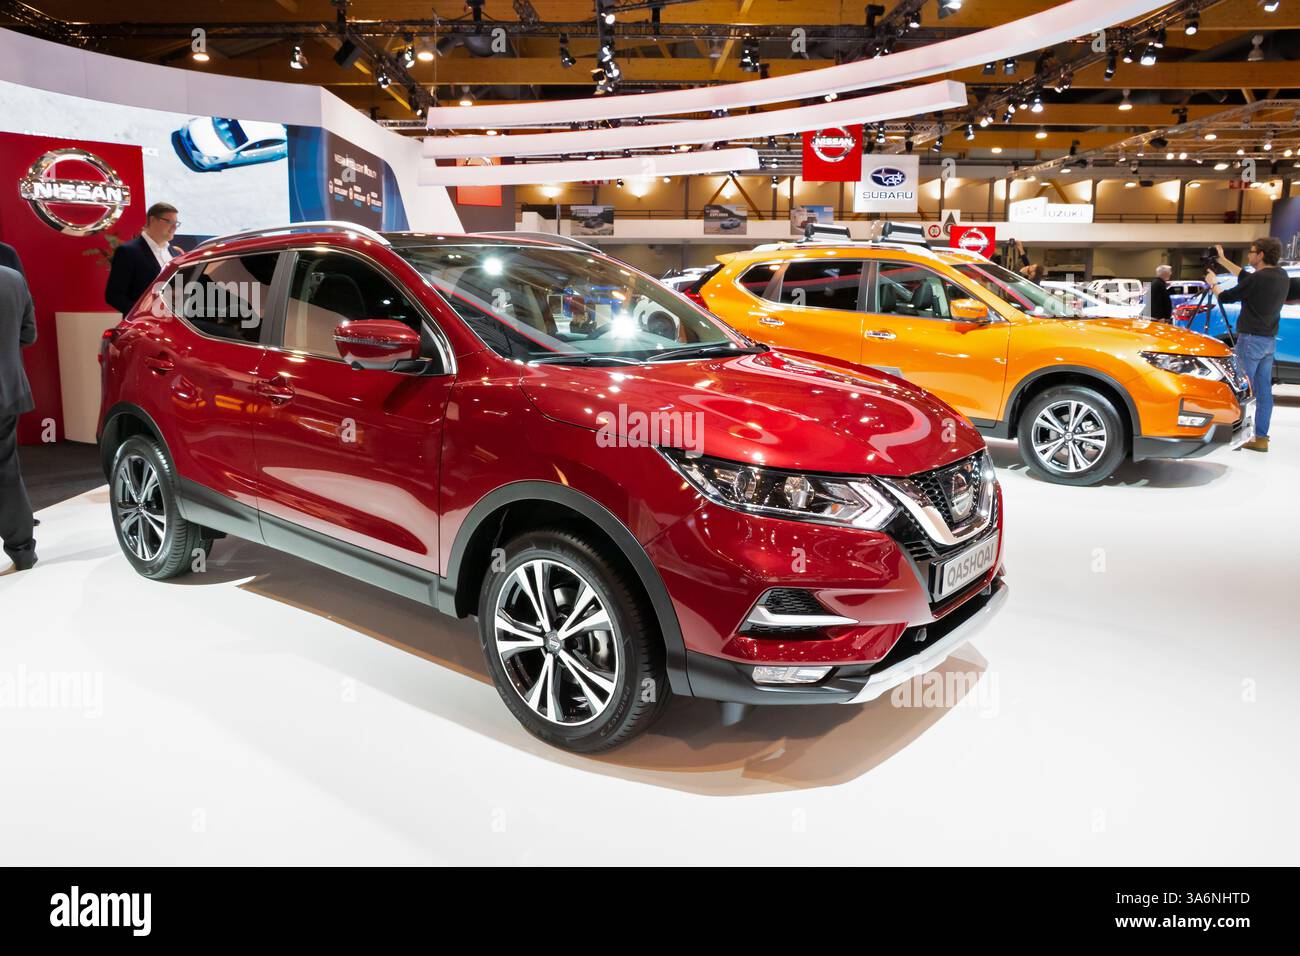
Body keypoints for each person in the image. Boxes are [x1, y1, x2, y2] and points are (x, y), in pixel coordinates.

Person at [1206, 238, 1289, 452]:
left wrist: (1213, 283)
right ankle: (1261, 438)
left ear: (1261, 254)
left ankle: (1235, 435)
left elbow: (1225, 297)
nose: (1249, 256)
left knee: (1240, 388)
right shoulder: (1280, 276)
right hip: (1268, 342)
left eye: (1252, 252)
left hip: (1251, 340)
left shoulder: (1259, 279)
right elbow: (1245, 277)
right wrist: (1223, 260)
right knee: (1263, 392)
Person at [0, 264, 37, 571]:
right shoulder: (13, 279)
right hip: (7, 391)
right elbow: (28, 335)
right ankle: (23, 551)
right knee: (6, 472)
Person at [105, 202, 181, 315]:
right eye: (169, 222)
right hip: (145, 326)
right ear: (152, 220)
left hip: (174, 323)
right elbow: (114, 295)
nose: (174, 227)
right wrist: (142, 314)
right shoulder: (128, 251)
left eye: (176, 223)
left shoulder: (174, 253)